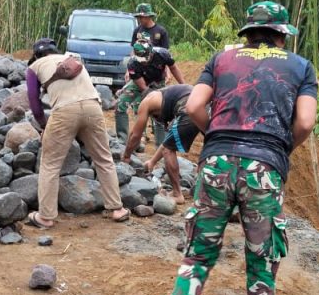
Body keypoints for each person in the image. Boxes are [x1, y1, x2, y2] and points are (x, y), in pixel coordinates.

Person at [137, 1, 318, 295]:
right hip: (263, 170)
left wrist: (217, 137)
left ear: (247, 33)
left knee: (197, 257)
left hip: (215, 165)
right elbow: (304, 122)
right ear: (282, 36)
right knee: (261, 267)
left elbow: (195, 106)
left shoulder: (221, 59)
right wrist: (279, 149)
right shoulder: (300, 66)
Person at [24, 38, 130, 228]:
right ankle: (117, 208)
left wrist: (43, 125)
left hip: (64, 111)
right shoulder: (73, 59)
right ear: (55, 51)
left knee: (50, 165)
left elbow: (34, 101)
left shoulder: (35, 67)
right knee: (104, 159)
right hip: (93, 107)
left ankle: (45, 216)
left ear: (37, 55)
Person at [121, 84, 199, 204]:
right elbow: (167, 142)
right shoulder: (169, 98)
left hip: (188, 106)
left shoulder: (147, 101)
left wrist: (126, 156)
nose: (156, 119)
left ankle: (177, 194)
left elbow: (135, 135)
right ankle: (204, 190)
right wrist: (152, 162)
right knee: (211, 147)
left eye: (154, 116)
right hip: (204, 106)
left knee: (168, 151)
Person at [115, 41, 186, 143]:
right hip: (140, 82)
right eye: (141, 60)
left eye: (146, 59)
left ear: (151, 52)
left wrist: (184, 86)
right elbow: (143, 87)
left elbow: (174, 68)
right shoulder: (132, 64)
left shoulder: (163, 54)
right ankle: (122, 140)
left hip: (158, 83)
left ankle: (161, 144)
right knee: (120, 103)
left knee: (160, 111)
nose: (144, 62)